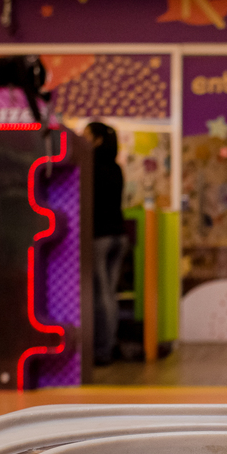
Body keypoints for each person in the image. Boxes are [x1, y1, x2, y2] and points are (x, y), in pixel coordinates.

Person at [87, 122, 128, 366]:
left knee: (100, 295)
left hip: (99, 236)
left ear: (98, 139)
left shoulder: (90, 168)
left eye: (87, 136)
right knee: (109, 294)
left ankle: (102, 350)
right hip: (119, 235)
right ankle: (109, 344)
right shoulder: (115, 168)